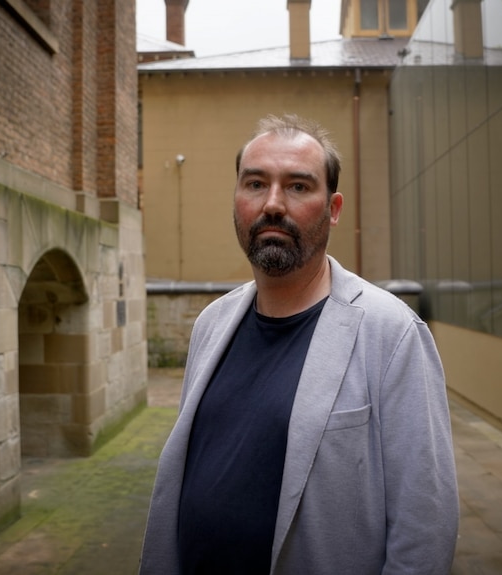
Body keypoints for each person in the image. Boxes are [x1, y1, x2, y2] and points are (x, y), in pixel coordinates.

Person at [139, 114, 459, 574]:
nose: (272, 204)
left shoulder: (392, 334)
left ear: (333, 208)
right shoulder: (211, 325)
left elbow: (425, 525)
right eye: (254, 184)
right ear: (236, 201)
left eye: (298, 186)